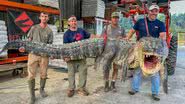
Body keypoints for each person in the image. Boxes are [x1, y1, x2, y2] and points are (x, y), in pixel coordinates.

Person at [126, 4, 166, 101]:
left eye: (156, 11)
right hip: (141, 49)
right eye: (152, 11)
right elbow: (132, 31)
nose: (154, 13)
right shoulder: (140, 22)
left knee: (154, 72)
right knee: (137, 70)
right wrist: (127, 38)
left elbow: (162, 36)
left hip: (153, 51)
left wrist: (156, 46)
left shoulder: (160, 24)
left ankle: (155, 93)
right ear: (149, 11)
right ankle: (135, 89)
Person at [63, 15, 95, 97]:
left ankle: (81, 88)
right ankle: (71, 89)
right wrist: (65, 56)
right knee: (71, 73)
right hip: (71, 58)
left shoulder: (81, 31)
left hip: (81, 56)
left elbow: (90, 36)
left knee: (83, 72)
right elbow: (65, 47)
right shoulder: (66, 34)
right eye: (72, 21)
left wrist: (100, 37)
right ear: (69, 23)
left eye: (75, 21)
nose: (74, 22)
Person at [26, 12, 53, 104]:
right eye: (42, 16)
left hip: (44, 56)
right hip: (33, 54)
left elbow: (50, 45)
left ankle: (41, 90)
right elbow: (28, 40)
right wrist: (25, 47)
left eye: (46, 16)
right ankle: (32, 96)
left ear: (48, 18)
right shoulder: (34, 28)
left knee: (44, 74)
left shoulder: (49, 31)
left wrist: (51, 54)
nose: (44, 18)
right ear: (39, 17)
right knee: (31, 75)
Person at [102, 12, 125, 92]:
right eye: (114, 17)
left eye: (117, 18)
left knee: (116, 68)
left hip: (118, 52)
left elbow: (124, 40)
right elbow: (102, 39)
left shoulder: (121, 28)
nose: (115, 19)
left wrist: (121, 38)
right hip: (107, 52)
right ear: (111, 19)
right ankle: (106, 84)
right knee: (106, 68)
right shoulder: (106, 28)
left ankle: (113, 84)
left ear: (119, 19)